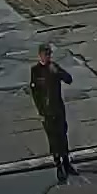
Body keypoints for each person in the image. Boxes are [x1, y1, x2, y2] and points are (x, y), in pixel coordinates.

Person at [29, 44, 75, 182]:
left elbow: (69, 79)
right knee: (53, 138)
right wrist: (40, 112)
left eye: (49, 55)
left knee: (62, 135)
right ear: (40, 55)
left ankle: (67, 163)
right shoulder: (35, 71)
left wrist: (58, 72)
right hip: (46, 112)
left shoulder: (54, 67)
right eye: (45, 54)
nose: (47, 57)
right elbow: (35, 93)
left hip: (58, 108)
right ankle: (58, 165)